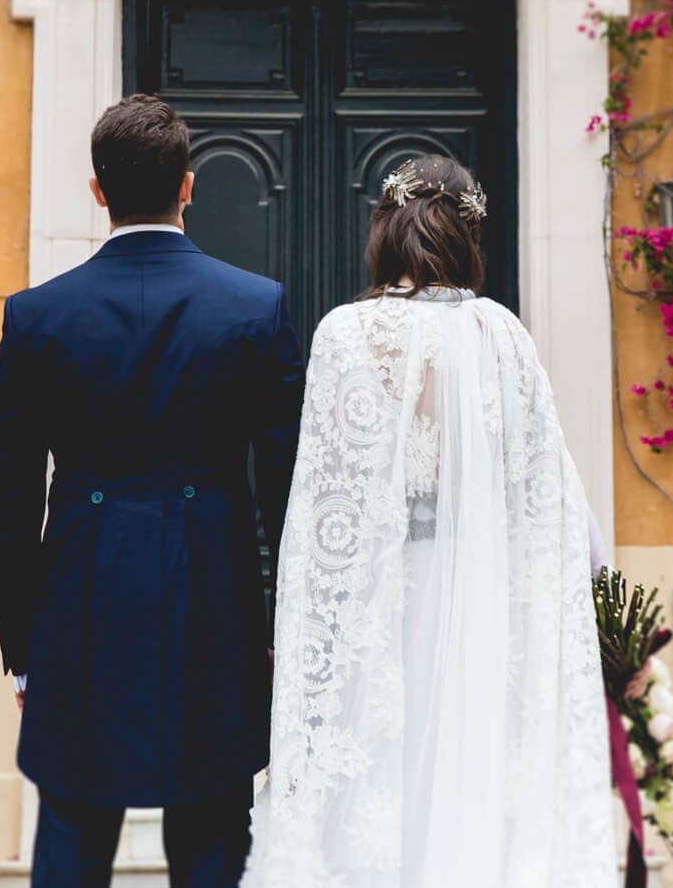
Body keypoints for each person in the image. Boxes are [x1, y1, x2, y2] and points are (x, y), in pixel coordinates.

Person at [241, 155, 615, 888]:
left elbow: (320, 511)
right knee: (472, 789)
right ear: (468, 236)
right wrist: (605, 603)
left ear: (385, 229)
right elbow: (554, 491)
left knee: (377, 788)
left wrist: (302, 631)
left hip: (380, 603)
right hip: (479, 603)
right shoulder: (501, 334)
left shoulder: (345, 334)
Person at [0, 94, 305, 888]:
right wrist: (285, 634)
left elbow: (8, 501)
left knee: (72, 842)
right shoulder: (257, 308)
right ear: (189, 186)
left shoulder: (36, 316)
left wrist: (24, 652)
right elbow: (294, 489)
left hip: (79, 610)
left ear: (98, 191)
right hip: (217, 609)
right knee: (215, 843)